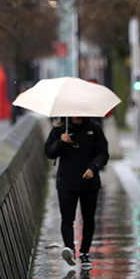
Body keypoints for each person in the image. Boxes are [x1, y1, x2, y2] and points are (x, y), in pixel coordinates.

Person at [44, 116, 109, 270]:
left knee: (89, 220)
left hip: (89, 183)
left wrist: (94, 168)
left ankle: (85, 252)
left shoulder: (95, 128)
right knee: (67, 219)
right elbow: (49, 152)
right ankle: (69, 250)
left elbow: (103, 153)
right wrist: (62, 142)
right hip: (66, 181)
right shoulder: (60, 129)